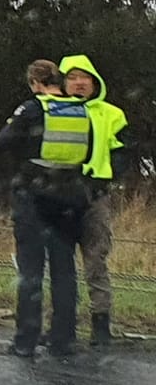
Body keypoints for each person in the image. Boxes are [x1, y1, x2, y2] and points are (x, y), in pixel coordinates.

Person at [0, 59, 92, 359]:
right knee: (64, 270)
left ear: (35, 83)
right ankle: (63, 339)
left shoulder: (34, 108)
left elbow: (2, 142)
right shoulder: (81, 110)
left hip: (34, 194)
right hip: (70, 195)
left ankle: (26, 339)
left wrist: (27, 150)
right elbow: (87, 150)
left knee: (31, 271)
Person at [57, 54, 128, 346]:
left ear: (94, 82)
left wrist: (107, 178)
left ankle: (101, 324)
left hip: (94, 197)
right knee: (61, 263)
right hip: (59, 196)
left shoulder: (112, 114)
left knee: (96, 259)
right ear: (63, 83)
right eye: (72, 78)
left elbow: (123, 152)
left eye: (83, 77)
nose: (78, 83)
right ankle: (63, 325)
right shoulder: (53, 110)